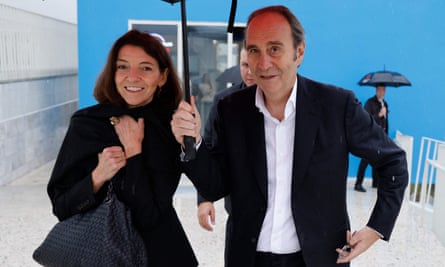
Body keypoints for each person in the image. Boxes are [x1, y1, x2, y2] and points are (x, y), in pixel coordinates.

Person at [171, 5, 408, 267]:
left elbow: (393, 162)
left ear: (299, 52)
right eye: (254, 50)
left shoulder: (336, 106)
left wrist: (377, 227)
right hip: (248, 258)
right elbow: (215, 185)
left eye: (274, 49)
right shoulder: (230, 109)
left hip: (318, 258)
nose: (263, 63)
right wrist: (191, 141)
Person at [47, 30, 198, 267]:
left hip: (161, 255)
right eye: (123, 67)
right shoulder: (86, 124)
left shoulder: (170, 126)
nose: (132, 76)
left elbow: (149, 216)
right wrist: (98, 176)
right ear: (112, 72)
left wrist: (134, 152)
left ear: (162, 76)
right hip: (98, 255)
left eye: (146, 68)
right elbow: (62, 207)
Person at [196, 47, 255, 265]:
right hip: (240, 210)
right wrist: (205, 198)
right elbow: (211, 149)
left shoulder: (285, 101)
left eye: (252, 64)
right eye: (244, 65)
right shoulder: (224, 101)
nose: (248, 71)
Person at [355, 84, 388, 192]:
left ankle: (375, 182)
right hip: (370, 135)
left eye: (383, 90)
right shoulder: (370, 103)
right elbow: (366, 119)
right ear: (376, 90)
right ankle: (358, 183)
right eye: (379, 90)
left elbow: (385, 122)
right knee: (365, 159)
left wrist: (385, 135)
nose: (381, 92)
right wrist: (378, 115)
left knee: (377, 159)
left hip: (380, 136)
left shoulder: (384, 104)